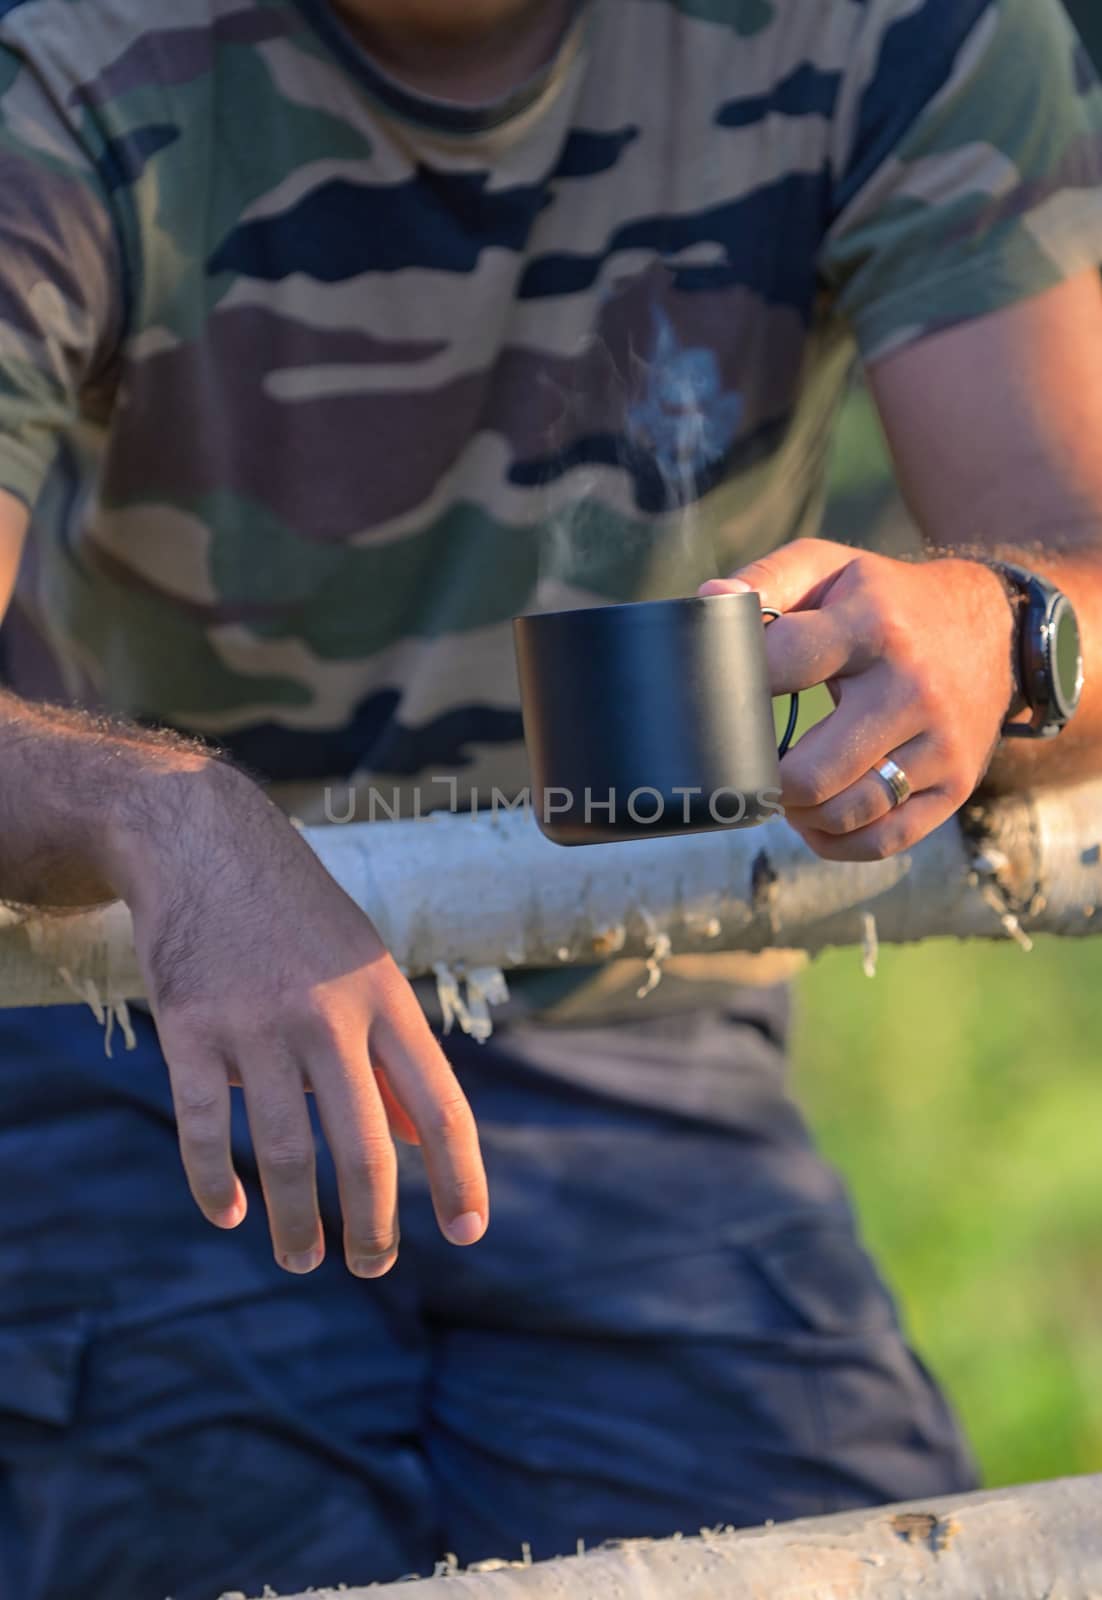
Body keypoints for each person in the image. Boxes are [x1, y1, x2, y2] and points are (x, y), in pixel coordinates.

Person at [0, 1, 1100, 1595]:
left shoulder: (897, 28)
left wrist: (1002, 632)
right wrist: (165, 819)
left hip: (645, 1046)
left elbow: (1071, 567)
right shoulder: (62, 56)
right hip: (147, 1044)